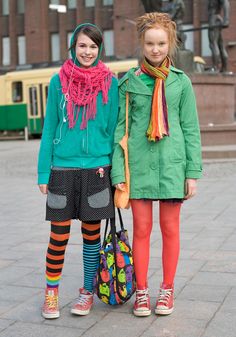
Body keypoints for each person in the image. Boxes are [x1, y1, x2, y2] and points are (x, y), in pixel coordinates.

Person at [111, 12, 202, 317]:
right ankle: (141, 292)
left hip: (173, 165)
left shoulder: (181, 82)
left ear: (170, 44)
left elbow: (190, 128)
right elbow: (119, 131)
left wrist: (192, 173)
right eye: (150, 43)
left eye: (161, 43)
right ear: (142, 44)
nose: (155, 49)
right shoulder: (128, 83)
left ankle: (166, 289)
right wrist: (117, 171)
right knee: (142, 229)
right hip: (138, 166)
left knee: (170, 229)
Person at [37, 23, 118, 319]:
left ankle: (86, 293)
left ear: (100, 49)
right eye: (82, 45)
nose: (87, 51)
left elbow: (112, 130)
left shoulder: (110, 82)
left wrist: (115, 173)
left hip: (97, 170)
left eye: (93, 46)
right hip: (62, 168)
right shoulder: (58, 81)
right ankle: (51, 293)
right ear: (73, 46)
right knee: (58, 236)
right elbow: (49, 128)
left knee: (91, 237)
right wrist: (43, 172)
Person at [208, 0, 230, 72]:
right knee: (220, 45)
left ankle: (215, 67)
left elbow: (226, 2)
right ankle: (224, 67)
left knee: (213, 44)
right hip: (217, 19)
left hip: (214, 19)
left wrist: (226, 19)